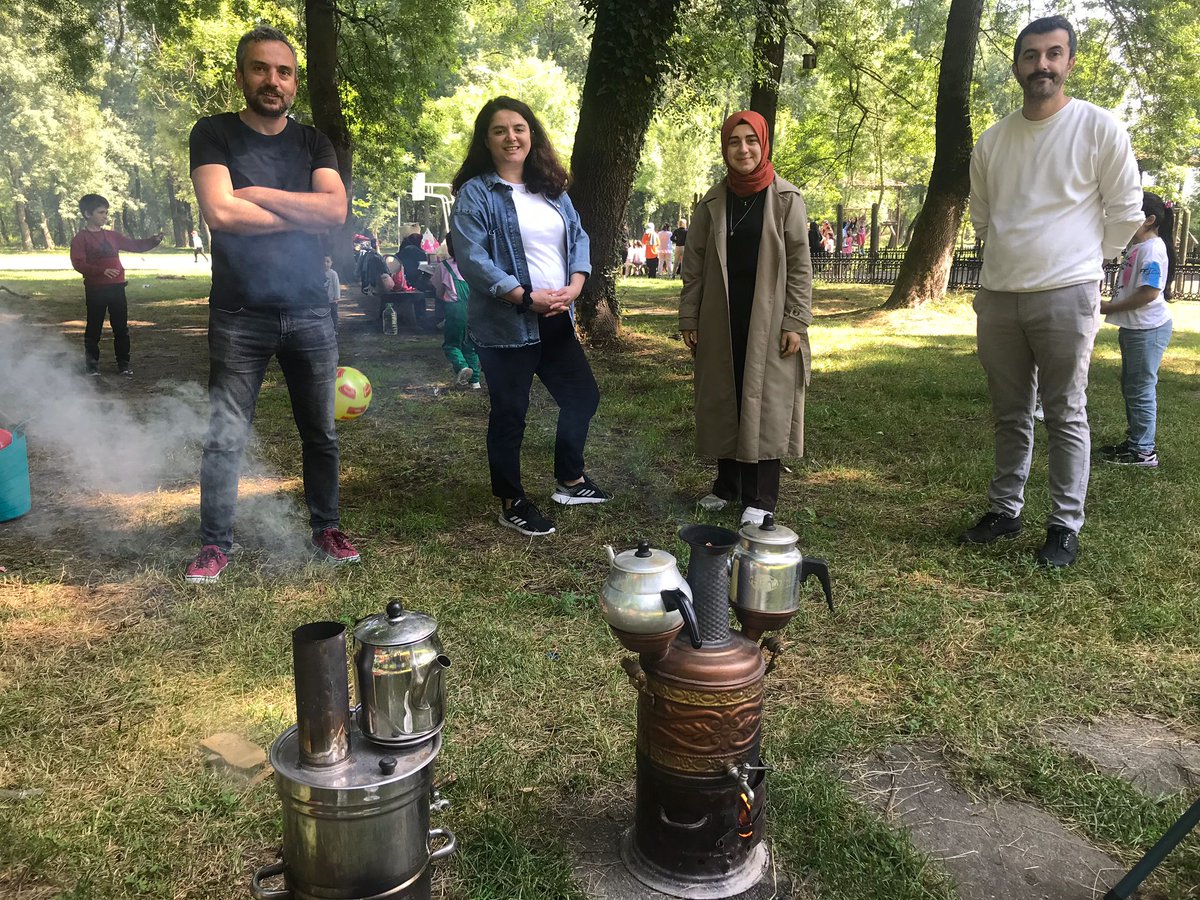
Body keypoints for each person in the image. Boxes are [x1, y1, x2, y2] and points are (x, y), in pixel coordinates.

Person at [958, 15, 1142, 568]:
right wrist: (1008, 267)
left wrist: (1083, 261)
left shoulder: (1099, 128)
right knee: (1010, 412)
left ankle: (1064, 524)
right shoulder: (993, 141)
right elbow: (984, 220)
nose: (1042, 64)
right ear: (1017, 64)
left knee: (1066, 412)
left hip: (1068, 292)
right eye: (1031, 55)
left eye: (1053, 54)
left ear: (1069, 61)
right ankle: (1005, 509)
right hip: (999, 295)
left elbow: (1126, 212)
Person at [185, 25, 360, 583]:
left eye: (283, 72)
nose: (272, 80)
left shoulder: (313, 142)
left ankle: (326, 527)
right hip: (239, 314)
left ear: (294, 83)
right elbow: (220, 213)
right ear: (242, 76)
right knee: (225, 435)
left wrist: (255, 194)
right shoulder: (212, 133)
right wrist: (298, 209)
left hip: (310, 309)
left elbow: (335, 213)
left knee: (321, 433)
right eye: (260, 68)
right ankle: (216, 544)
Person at [450, 95, 610, 537]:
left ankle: (570, 480)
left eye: (518, 128)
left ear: (531, 135)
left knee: (582, 397)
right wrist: (524, 297)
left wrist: (576, 284)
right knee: (510, 413)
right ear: (487, 140)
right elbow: (473, 260)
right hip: (506, 324)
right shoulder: (476, 194)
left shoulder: (550, 189)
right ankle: (512, 500)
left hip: (555, 316)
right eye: (499, 130)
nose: (511, 137)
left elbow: (578, 237)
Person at [679, 110, 813, 526]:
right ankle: (727, 486)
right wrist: (689, 315)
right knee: (725, 392)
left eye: (750, 140)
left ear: (763, 144)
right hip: (720, 314)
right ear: (725, 147)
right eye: (734, 141)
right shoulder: (713, 202)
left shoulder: (787, 200)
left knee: (767, 399)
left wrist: (795, 319)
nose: (743, 149)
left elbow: (800, 265)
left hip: (769, 318)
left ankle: (761, 495)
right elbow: (694, 264)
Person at [1096, 191, 1176, 468]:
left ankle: (1143, 451)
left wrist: (1106, 307)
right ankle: (1135, 443)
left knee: (1140, 388)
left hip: (1148, 329)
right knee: (1132, 386)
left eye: (1130, 213)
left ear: (1149, 219)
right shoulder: (1137, 246)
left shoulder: (1152, 249)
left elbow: (1149, 294)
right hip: (1136, 328)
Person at [69, 193, 163, 377]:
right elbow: (78, 263)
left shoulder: (112, 236)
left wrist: (153, 241)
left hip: (117, 287)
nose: (105, 216)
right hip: (95, 289)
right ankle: (92, 366)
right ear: (88, 214)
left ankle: (124, 364)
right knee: (94, 328)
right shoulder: (81, 239)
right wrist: (100, 271)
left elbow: (134, 245)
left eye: (106, 212)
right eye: (101, 212)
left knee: (121, 328)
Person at [429, 232, 482, 390]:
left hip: (455, 310)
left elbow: (438, 291)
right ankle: (475, 382)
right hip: (474, 310)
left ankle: (462, 367)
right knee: (470, 345)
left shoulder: (444, 266)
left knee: (451, 344)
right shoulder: (475, 265)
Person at [324, 255, 340, 331]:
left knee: (334, 315)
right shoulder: (319, 273)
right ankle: (327, 329)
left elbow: (336, 285)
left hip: (332, 299)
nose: (325, 263)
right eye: (323, 261)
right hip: (323, 299)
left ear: (331, 263)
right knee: (325, 314)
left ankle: (335, 329)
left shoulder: (333, 273)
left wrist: (337, 297)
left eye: (328, 261)